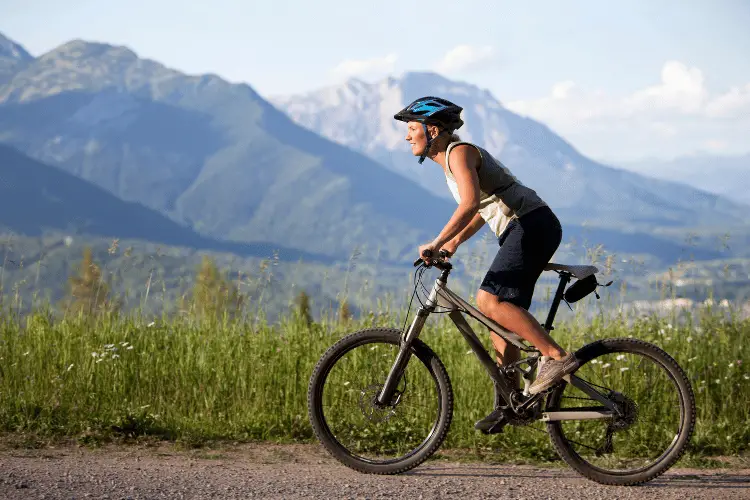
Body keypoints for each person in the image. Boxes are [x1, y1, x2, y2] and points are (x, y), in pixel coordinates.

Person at [393, 96, 579, 432]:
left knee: (488, 300)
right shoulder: (452, 161)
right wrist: (453, 243)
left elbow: (467, 205)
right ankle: (510, 404)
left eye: (411, 129)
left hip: (530, 224)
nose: (407, 137)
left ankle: (556, 358)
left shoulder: (459, 153)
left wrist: (436, 241)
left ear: (432, 129)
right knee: (500, 328)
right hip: (523, 227)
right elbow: (482, 208)